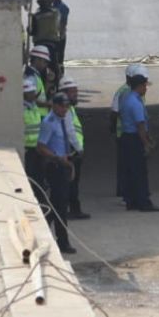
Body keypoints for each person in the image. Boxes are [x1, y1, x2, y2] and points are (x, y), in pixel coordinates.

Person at [35, 94, 79, 254]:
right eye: (62, 106)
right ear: (54, 105)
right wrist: (56, 158)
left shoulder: (63, 119)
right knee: (59, 206)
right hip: (56, 167)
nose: (65, 109)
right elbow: (40, 146)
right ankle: (63, 242)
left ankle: (42, 236)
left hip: (65, 164)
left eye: (66, 106)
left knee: (56, 205)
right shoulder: (49, 123)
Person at [119, 71, 159, 212]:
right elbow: (140, 126)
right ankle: (144, 202)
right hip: (134, 139)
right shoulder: (136, 103)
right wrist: (146, 143)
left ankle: (131, 201)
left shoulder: (126, 98)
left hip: (126, 137)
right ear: (139, 86)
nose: (146, 89)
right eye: (144, 86)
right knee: (140, 172)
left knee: (130, 170)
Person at [110, 64, 147, 198]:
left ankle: (127, 193)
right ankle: (128, 192)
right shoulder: (128, 94)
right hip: (129, 133)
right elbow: (115, 113)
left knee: (127, 165)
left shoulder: (129, 92)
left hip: (125, 133)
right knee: (130, 166)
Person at [59, 77, 89, 220]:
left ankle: (74, 208)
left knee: (72, 182)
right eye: (73, 92)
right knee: (71, 182)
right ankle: (72, 209)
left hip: (72, 149)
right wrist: (79, 148)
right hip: (71, 150)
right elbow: (70, 131)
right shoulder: (66, 111)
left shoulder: (69, 108)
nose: (75, 95)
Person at [29, 0, 64, 75]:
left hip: (39, 44)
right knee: (53, 65)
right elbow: (59, 26)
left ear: (38, 2)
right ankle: (55, 84)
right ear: (48, 1)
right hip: (52, 44)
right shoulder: (56, 13)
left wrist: (29, 26)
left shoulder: (35, 16)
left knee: (37, 68)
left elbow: (32, 32)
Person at [22, 78, 45, 200]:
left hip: (37, 148)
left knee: (39, 179)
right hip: (27, 149)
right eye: (31, 93)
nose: (33, 95)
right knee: (30, 178)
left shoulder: (34, 107)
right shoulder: (21, 109)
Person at [48, 0, 69, 65]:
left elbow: (63, 23)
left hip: (58, 36)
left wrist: (60, 35)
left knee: (58, 58)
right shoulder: (51, 6)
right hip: (54, 35)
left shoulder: (62, 7)